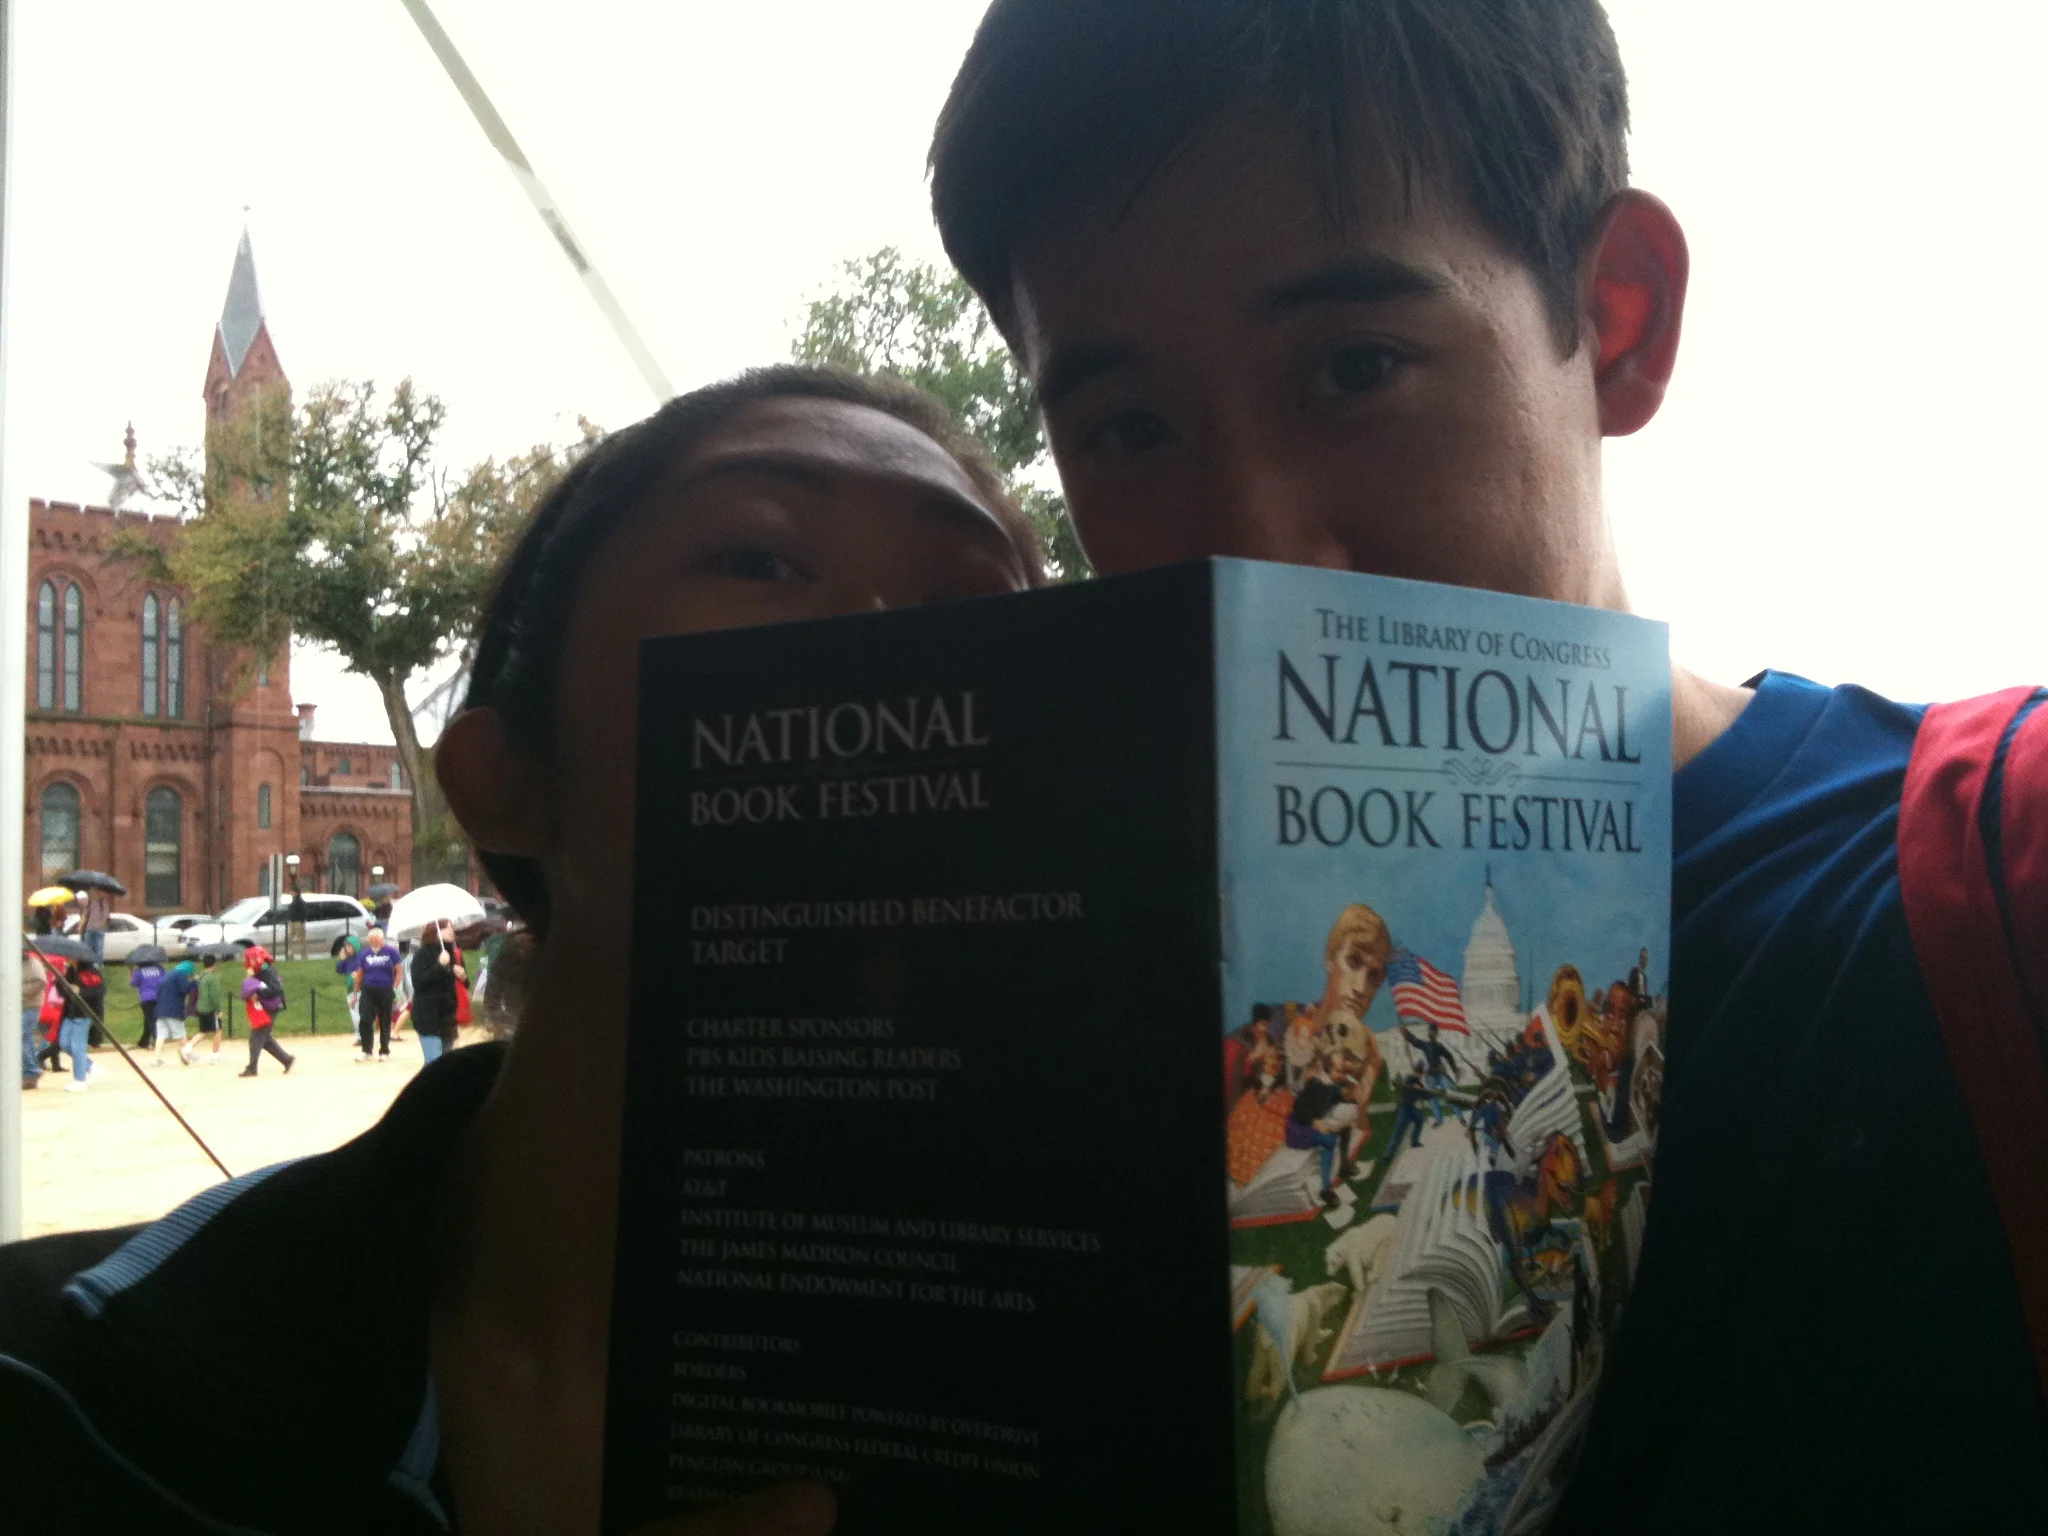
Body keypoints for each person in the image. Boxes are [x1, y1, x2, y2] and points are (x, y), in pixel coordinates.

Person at [924, 1, 2047, 1524]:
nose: (1260, 541)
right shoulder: (1076, 989)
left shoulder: (1983, 875)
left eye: (1355, 368)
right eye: (1130, 431)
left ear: (1620, 318)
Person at [0, 364, 1040, 1533]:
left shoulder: (1149, 1378)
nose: (883, 642)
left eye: (978, 610)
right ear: (506, 778)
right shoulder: (50, 1390)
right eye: (762, 558)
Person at [337, 926, 404, 1061]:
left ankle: (384, 1051)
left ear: (381, 939)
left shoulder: (391, 952)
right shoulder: (365, 954)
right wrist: (355, 994)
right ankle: (367, 1050)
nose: (374, 944)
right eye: (372, 941)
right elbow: (360, 974)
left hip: (385, 989)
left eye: (377, 941)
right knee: (365, 1018)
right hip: (368, 989)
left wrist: (395, 988)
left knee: (384, 1020)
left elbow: (399, 971)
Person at [409, 920, 465, 1066]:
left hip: (447, 1017)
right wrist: (439, 966)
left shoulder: (450, 953)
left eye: (452, 927)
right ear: (435, 932)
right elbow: (419, 983)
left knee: (446, 1065)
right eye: (446, 928)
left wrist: (463, 977)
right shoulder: (422, 954)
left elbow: (455, 985)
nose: (451, 931)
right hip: (428, 1016)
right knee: (433, 1063)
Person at [237, 951, 294, 1078]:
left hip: (271, 1007)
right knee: (264, 1038)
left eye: (252, 959)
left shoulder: (268, 971)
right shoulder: (260, 971)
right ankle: (286, 1059)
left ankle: (252, 1068)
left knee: (256, 1037)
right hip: (267, 1007)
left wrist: (259, 992)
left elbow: (276, 989)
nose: (250, 962)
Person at [158, 958, 199, 1066]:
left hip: (160, 1009)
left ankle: (157, 1059)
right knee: (180, 1033)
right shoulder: (180, 975)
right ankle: (186, 1053)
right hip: (173, 1009)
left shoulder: (168, 974)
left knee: (161, 1035)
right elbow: (184, 989)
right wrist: (193, 982)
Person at [128, 952, 166, 1058]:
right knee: (151, 1019)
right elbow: (165, 979)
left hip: (146, 998)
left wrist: (130, 972)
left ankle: (157, 1041)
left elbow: (133, 983)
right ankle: (143, 1041)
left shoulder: (139, 971)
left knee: (150, 1020)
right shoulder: (159, 968)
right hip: (159, 996)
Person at [191, 951, 226, 1063]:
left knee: (203, 1031)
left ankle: (187, 1048)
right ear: (214, 964)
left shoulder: (200, 977)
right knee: (218, 1030)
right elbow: (214, 996)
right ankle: (215, 1055)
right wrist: (219, 1009)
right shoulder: (212, 978)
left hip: (200, 1007)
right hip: (210, 1008)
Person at [20, 947, 47, 1090]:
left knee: (23, 1037)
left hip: (30, 1006)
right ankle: (26, 1071)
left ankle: (31, 1071)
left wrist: (19, 992)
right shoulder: (13, 963)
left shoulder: (33, 964)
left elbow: (41, 982)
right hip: (17, 1006)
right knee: (21, 1038)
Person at [80, 886, 109, 963]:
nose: (98, 894)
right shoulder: (90, 902)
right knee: (88, 947)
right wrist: (81, 925)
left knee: (99, 948)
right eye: (97, 892)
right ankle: (88, 963)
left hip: (99, 929)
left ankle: (98, 964)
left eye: (100, 892)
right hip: (89, 928)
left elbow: (106, 917)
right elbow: (85, 914)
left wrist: (102, 925)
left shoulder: (103, 903)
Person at [287, 882, 310, 962]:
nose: (291, 893)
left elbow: (304, 913)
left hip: (298, 923)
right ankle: (290, 955)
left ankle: (304, 957)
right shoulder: (293, 901)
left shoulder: (300, 902)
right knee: (289, 939)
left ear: (296, 892)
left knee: (302, 941)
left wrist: (301, 922)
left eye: (292, 891)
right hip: (292, 923)